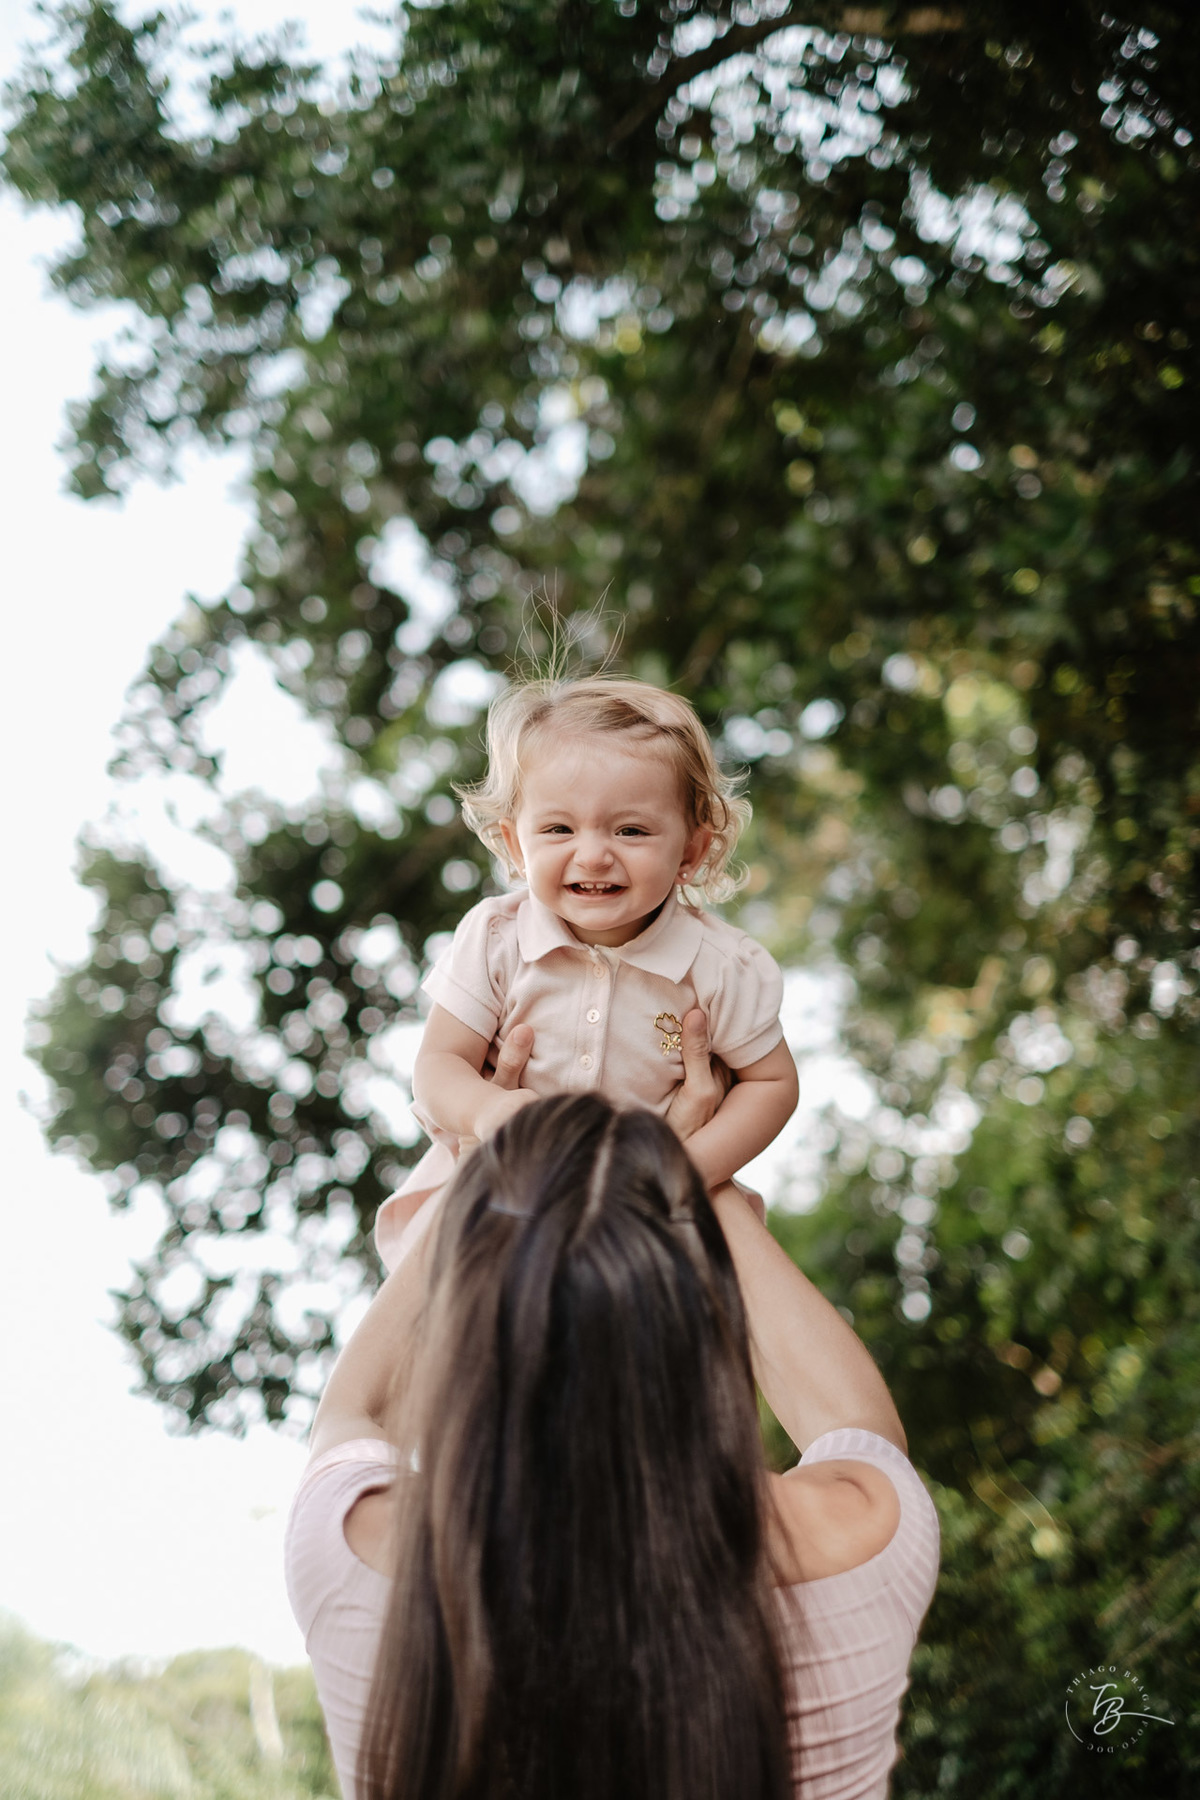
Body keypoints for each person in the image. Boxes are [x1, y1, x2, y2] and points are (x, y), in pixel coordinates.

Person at [286, 1015, 940, 1800]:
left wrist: (484, 1161)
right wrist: (693, 1171)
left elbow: (352, 1413)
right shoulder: (857, 1534)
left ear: (464, 1323)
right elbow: (859, 1426)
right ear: (695, 1313)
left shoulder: (355, 1548)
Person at [372, 675, 800, 1269]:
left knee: (730, 1329)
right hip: (503, 1189)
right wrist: (486, 1112)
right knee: (431, 1330)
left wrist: (686, 1172)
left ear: (690, 853)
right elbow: (440, 1064)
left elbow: (771, 1084)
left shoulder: (721, 966)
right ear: (516, 847)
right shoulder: (497, 938)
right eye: (558, 829)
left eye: (630, 830)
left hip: (650, 1207)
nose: (593, 854)